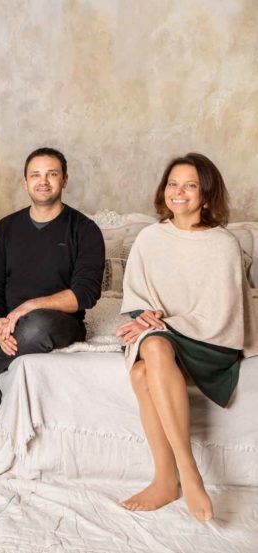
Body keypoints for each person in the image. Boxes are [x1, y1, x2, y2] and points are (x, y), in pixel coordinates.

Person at [116, 153, 257, 522]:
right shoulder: (149, 238)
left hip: (209, 341)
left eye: (190, 185)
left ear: (206, 195)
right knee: (145, 364)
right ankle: (172, 478)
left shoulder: (223, 243)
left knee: (150, 354)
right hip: (163, 339)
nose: (178, 192)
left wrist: (161, 325)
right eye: (173, 184)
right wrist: (146, 317)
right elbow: (137, 298)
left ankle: (181, 475)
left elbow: (222, 315)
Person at [0, 147, 104, 438]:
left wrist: (30, 306)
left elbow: (86, 293)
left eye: (52, 174)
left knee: (34, 327)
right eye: (35, 175)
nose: (43, 181)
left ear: (65, 180)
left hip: (59, 321)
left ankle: (0, 408)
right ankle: (0, 413)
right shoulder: (6, 228)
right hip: (7, 316)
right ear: (25, 182)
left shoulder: (84, 230)